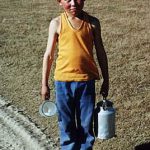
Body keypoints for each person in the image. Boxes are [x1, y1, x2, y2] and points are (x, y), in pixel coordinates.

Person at [41, 0, 109, 149]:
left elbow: (101, 52)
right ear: (59, 2)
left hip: (86, 82)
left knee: (86, 126)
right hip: (62, 82)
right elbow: (49, 55)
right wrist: (44, 84)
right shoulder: (56, 23)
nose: (73, 3)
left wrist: (106, 79)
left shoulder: (92, 23)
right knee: (66, 125)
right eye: (67, 0)